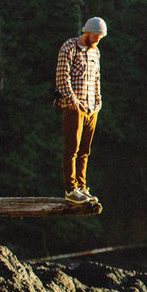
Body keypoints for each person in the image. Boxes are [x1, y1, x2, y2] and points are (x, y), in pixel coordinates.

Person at [54, 17, 106, 204]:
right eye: (96, 36)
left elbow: (96, 78)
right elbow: (62, 77)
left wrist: (98, 102)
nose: (98, 39)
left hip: (92, 107)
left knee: (85, 150)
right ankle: (71, 189)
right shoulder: (69, 47)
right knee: (72, 149)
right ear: (87, 32)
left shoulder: (95, 52)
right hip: (75, 107)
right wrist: (73, 101)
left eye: (100, 37)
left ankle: (82, 187)